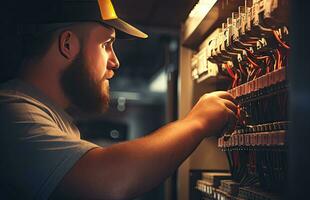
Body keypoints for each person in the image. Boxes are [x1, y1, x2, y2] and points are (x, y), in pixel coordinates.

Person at [0, 0, 238, 199]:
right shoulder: (11, 115)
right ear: (68, 44)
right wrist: (198, 122)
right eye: (106, 44)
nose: (115, 62)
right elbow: (107, 181)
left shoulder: (47, 117)